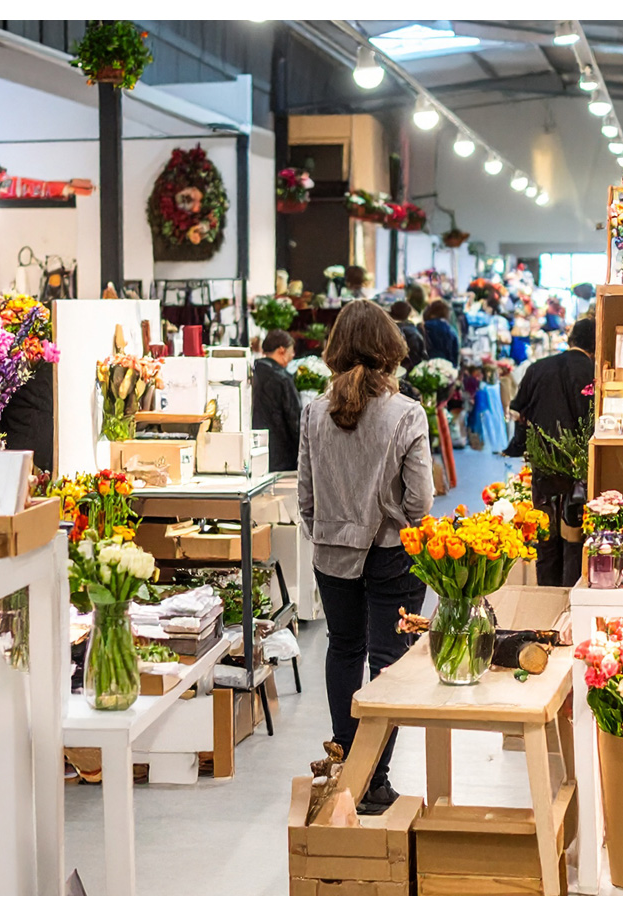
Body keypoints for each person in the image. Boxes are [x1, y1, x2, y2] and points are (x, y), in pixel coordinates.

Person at [298, 300, 433, 815]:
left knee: (344, 650)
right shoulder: (406, 413)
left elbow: (305, 497)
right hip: (391, 553)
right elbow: (420, 501)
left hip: (331, 552)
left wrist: (329, 533)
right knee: (388, 663)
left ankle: (345, 765)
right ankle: (373, 779)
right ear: (389, 349)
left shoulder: (314, 411)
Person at [507, 318, 596, 587]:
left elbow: (519, 413)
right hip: (580, 471)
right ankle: (568, 603)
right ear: (595, 345)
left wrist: (519, 447)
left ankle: (544, 601)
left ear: (570, 339)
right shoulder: (593, 372)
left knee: (545, 536)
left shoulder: (537, 368)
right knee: (574, 538)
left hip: (543, 468)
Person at [251, 329, 302, 472]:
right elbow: (294, 420)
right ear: (281, 351)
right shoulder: (282, 379)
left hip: (255, 451)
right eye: (291, 351)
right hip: (282, 456)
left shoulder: (251, 372)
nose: (292, 355)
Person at [388, 300, 426, 371]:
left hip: (390, 369)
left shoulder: (384, 327)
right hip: (407, 370)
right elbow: (417, 356)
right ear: (408, 314)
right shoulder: (412, 332)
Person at [421, 299, 460, 365]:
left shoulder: (424, 326)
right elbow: (454, 354)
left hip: (426, 366)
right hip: (446, 367)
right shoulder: (450, 329)